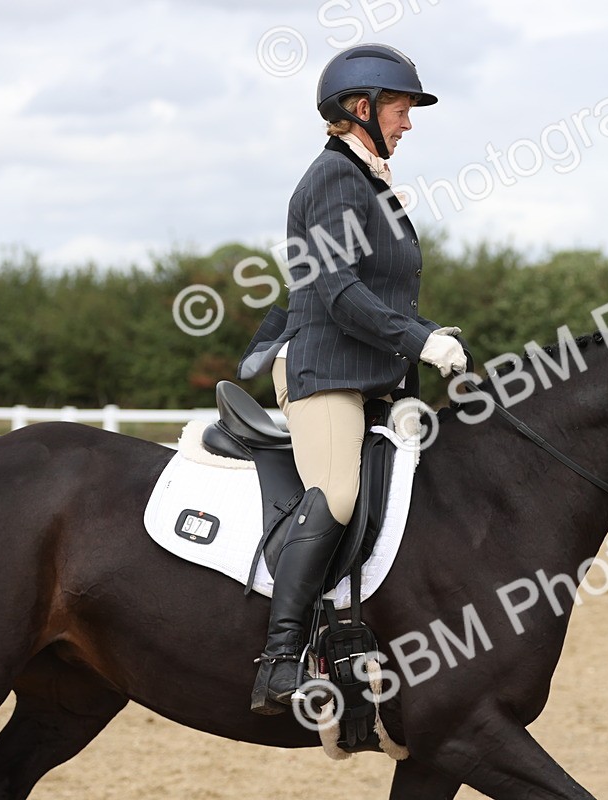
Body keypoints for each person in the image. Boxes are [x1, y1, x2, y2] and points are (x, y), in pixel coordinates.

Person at [237, 43, 466, 714]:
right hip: (325, 372)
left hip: (372, 377)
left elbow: (384, 292)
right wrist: (421, 341)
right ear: (360, 109)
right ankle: (279, 661)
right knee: (337, 492)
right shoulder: (336, 178)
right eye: (401, 108)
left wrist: (427, 351)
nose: (409, 122)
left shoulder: (372, 181)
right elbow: (337, 291)